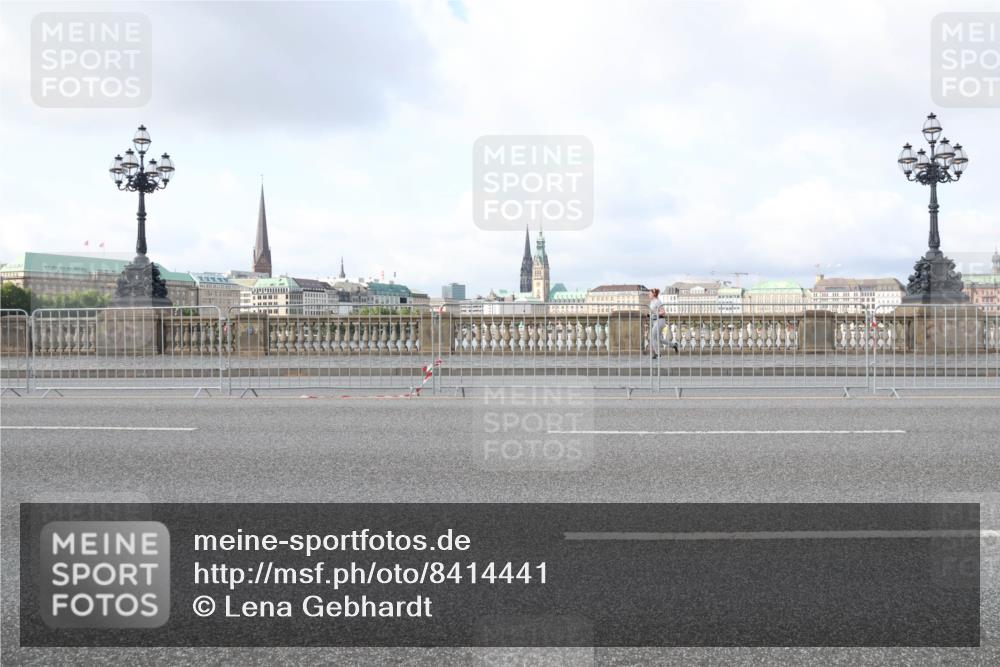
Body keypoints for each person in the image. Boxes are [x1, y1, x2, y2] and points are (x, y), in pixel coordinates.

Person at [648, 288, 666, 358]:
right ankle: (674, 345)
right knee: (659, 339)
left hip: (660, 321)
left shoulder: (658, 301)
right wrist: (650, 315)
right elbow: (653, 311)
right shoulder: (652, 302)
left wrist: (654, 315)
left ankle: (658, 354)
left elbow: (663, 312)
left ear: (653, 294)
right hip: (655, 321)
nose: (648, 295)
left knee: (653, 337)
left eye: (649, 293)